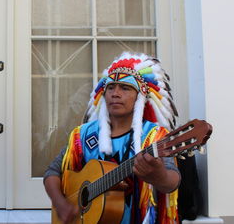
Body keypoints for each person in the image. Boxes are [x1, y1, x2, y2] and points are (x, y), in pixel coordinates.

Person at [44, 52, 181, 224]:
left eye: (125, 88)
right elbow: (52, 172)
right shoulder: (83, 135)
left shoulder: (153, 137)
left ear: (140, 97)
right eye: (110, 88)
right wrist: (60, 203)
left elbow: (172, 182)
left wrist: (158, 176)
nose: (115, 94)